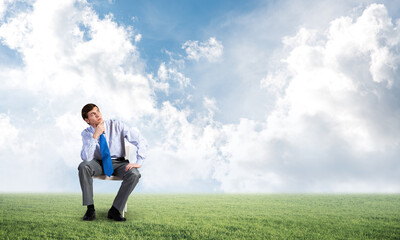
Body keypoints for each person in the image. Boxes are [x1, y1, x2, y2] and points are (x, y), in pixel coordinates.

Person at [78, 103, 147, 221]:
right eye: (92, 114)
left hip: (119, 163)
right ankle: (90, 209)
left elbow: (140, 140)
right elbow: (86, 158)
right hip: (98, 163)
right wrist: (95, 136)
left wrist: (139, 161)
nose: (97, 115)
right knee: (83, 166)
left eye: (98, 111)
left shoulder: (117, 125)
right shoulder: (86, 133)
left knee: (134, 174)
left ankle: (115, 210)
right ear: (87, 120)